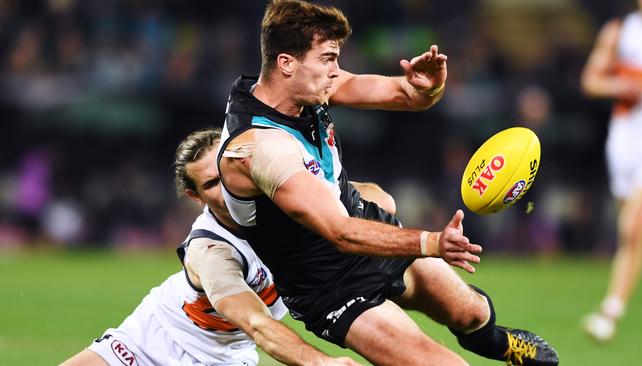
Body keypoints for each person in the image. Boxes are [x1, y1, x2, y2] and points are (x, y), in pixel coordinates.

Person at [217, 1, 559, 365]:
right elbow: (341, 232)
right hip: (329, 286)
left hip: (369, 233)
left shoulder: (304, 88)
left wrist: (426, 89)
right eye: (328, 58)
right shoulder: (260, 147)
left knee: (470, 312)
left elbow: (405, 95)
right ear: (286, 63)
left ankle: (497, 344)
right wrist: (431, 242)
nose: (336, 71)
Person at [60, 128, 360, 366]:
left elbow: (373, 202)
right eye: (212, 183)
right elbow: (256, 323)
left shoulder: (299, 205)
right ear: (195, 196)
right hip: (148, 342)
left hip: (226, 359)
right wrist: (320, 362)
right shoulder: (210, 250)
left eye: (228, 171)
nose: (228, 185)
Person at [581, 0, 642, 343]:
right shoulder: (620, 32)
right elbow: (591, 80)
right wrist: (621, 87)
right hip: (625, 141)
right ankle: (616, 305)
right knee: (633, 236)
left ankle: (611, 310)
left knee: (633, 226)